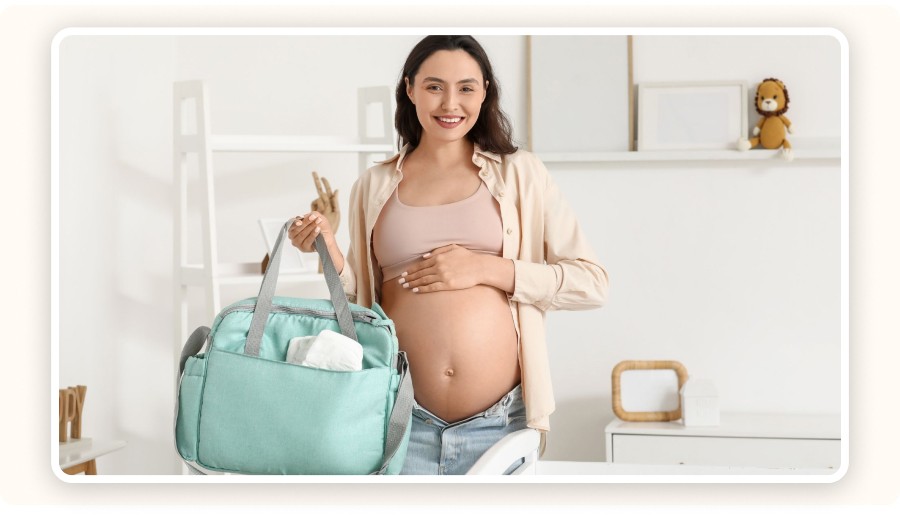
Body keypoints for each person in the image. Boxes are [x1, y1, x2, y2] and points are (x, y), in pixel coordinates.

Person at [289, 35, 608, 475]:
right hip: (400, 420)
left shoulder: (521, 174)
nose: (450, 103)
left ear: (485, 92)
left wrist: (486, 268)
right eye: (435, 86)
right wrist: (327, 254)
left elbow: (591, 283)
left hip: (500, 426)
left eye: (466, 88)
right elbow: (360, 300)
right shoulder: (374, 185)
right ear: (410, 89)